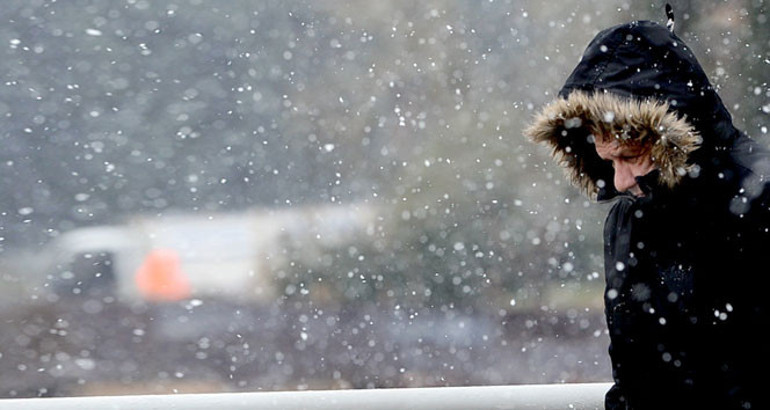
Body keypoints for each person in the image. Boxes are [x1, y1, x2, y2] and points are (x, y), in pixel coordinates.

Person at [525, 7, 770, 410]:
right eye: (609, 160)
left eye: (630, 156)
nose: (619, 181)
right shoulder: (629, 221)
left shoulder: (757, 203)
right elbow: (635, 378)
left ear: (670, 133)